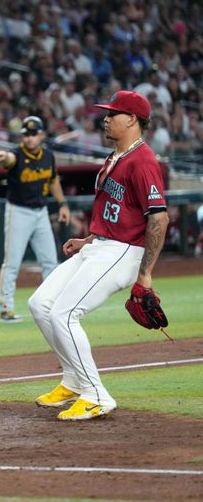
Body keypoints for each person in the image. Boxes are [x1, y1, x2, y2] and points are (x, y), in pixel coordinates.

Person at [28, 90, 169, 421]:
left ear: (132, 119)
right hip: (100, 245)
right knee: (40, 304)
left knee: (65, 313)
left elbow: (158, 217)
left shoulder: (143, 160)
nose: (106, 118)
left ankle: (96, 395)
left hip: (124, 251)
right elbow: (120, 209)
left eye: (113, 113)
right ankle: (74, 381)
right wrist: (88, 239)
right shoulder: (115, 156)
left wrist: (145, 273)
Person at [0, 116, 71, 322]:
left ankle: (51, 304)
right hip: (18, 211)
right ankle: (6, 307)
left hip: (41, 212)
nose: (29, 138)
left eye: (33, 134)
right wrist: (2, 157)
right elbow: (8, 159)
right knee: (12, 263)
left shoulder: (48, 155)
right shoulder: (17, 154)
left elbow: (53, 180)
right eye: (25, 134)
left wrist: (63, 204)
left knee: (50, 261)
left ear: (41, 135)